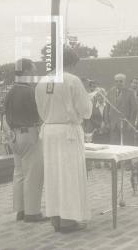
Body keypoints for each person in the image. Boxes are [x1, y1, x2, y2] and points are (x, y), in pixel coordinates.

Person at [35, 48, 92, 233]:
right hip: (67, 131)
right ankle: (68, 220)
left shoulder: (42, 81)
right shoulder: (72, 80)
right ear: (72, 63)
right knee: (68, 175)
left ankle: (56, 218)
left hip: (49, 131)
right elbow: (85, 111)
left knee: (53, 175)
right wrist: (89, 101)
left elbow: (41, 110)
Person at [4, 58, 46, 222]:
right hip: (29, 134)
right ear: (27, 72)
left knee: (19, 173)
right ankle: (32, 212)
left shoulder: (10, 91)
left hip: (13, 136)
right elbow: (40, 114)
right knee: (33, 174)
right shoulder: (30, 91)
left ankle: (20, 210)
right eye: (33, 71)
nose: (34, 74)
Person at [106, 73, 137, 145]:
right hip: (113, 124)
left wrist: (131, 123)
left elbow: (134, 109)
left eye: (121, 81)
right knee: (114, 146)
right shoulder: (110, 92)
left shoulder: (130, 92)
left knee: (125, 145)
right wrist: (107, 122)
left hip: (125, 125)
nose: (118, 83)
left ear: (124, 82)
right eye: (116, 81)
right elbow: (107, 108)